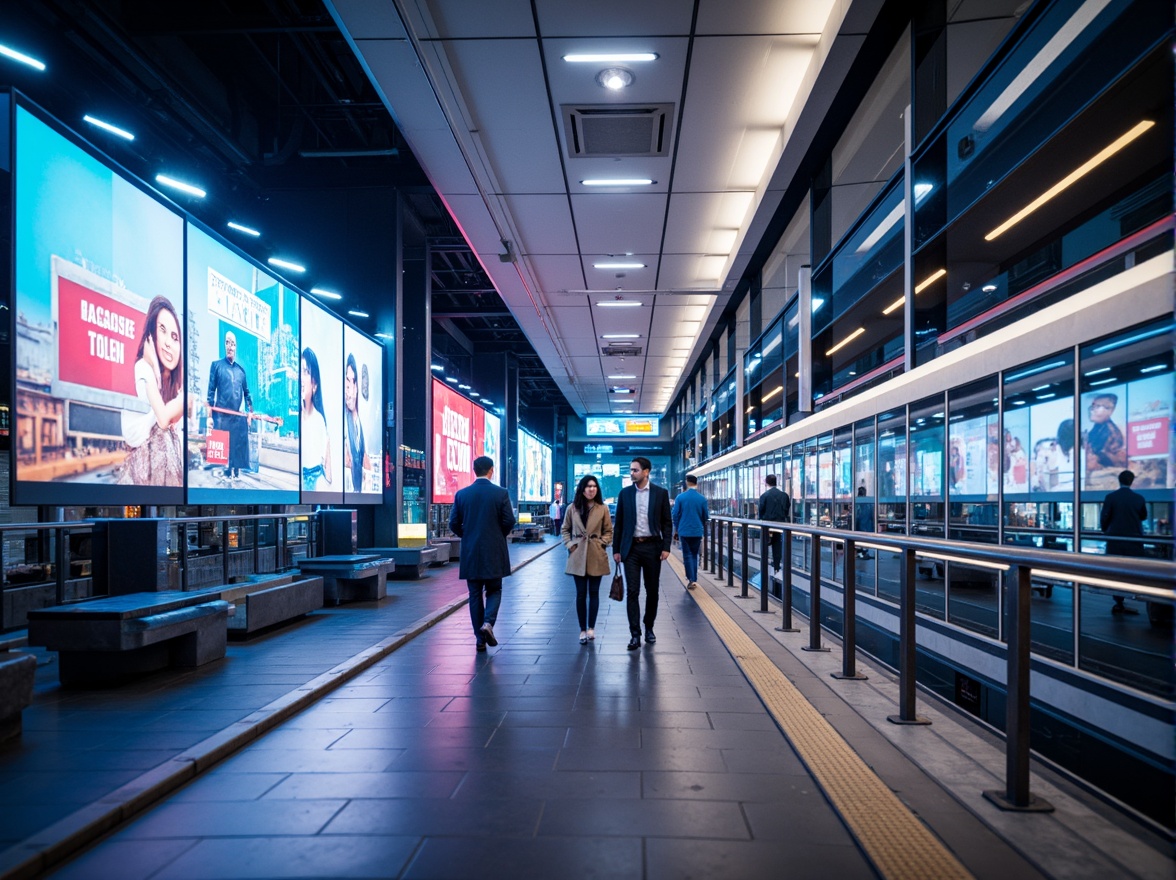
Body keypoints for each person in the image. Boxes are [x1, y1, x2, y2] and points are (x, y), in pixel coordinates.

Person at [449, 455, 516, 651]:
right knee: (494, 589)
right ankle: (488, 623)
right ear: (491, 470)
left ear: (473, 471)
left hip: (471, 552)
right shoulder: (501, 493)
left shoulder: (462, 495)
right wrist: (497, 535)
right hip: (494, 551)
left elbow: (453, 523)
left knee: (475, 594)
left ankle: (479, 639)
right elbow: (509, 521)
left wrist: (468, 536)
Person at [118, 296, 184, 486]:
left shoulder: (167, 382)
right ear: (151, 335)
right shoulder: (144, 367)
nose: (169, 343)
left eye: (175, 337)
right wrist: (155, 365)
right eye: (162, 330)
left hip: (155, 473)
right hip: (141, 468)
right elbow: (163, 419)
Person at [613, 457, 672, 650]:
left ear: (646, 472)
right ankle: (635, 634)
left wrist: (666, 547)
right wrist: (616, 550)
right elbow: (619, 524)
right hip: (631, 548)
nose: (632, 473)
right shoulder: (625, 494)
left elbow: (666, 522)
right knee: (632, 591)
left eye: (635, 470)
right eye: (631, 470)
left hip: (653, 547)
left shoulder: (660, 493)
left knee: (652, 590)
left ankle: (649, 627)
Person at [562, 474, 613, 644]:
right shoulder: (573, 508)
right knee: (581, 594)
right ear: (582, 489)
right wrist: (570, 545)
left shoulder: (602, 508)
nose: (592, 489)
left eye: (594, 486)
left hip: (596, 553)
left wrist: (602, 543)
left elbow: (608, 531)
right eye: (588, 486)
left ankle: (591, 628)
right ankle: (582, 630)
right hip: (577, 554)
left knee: (594, 592)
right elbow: (565, 529)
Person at [206, 330, 253, 482]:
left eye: (233, 344)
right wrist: (210, 416)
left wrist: (250, 412)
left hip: (236, 416)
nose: (230, 346)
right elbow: (210, 392)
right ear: (224, 345)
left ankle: (236, 470)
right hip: (221, 416)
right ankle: (225, 475)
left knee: (238, 445)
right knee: (222, 460)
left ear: (236, 347)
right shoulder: (216, 366)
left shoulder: (241, 371)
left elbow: (247, 394)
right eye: (227, 342)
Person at [1100, 469, 1147, 615]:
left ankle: (1119, 600)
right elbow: (1143, 516)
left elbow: (1105, 518)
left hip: (1115, 540)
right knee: (1132, 569)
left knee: (1116, 571)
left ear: (1119, 481)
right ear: (1131, 481)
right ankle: (1130, 595)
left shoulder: (1111, 497)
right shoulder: (1139, 498)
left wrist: (1106, 530)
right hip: (1134, 540)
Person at [300, 348, 333, 491]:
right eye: (299, 371)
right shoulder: (296, 418)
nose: (301, 378)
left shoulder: (319, 421)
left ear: (314, 384)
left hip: (316, 485)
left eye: (306, 372)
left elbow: (328, 474)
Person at [671, 474, 708, 590]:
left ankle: (691, 579)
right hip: (697, 531)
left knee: (687, 555)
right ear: (696, 483)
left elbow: (675, 515)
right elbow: (705, 516)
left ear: (687, 482)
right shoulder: (702, 499)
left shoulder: (680, 498)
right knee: (695, 554)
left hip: (684, 531)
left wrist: (677, 528)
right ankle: (694, 578)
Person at [1085, 393, 1128, 476]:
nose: (1092, 410)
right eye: (1092, 406)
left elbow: (1112, 460)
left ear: (1110, 410)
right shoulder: (1097, 428)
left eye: (1097, 407)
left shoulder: (1111, 432)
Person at [758, 474, 791, 572]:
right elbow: (786, 510)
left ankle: (764, 564)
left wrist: (761, 520)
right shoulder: (784, 495)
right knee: (777, 544)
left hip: (767, 525)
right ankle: (777, 564)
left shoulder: (764, 496)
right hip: (780, 525)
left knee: (765, 543)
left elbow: (761, 511)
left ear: (766, 483)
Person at [343, 353, 366, 492]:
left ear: (356, 386)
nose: (348, 389)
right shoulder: (343, 422)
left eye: (351, 381)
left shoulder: (360, 426)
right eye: (346, 381)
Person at [854, 484, 874, 558]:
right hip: (866, 524)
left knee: (860, 538)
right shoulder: (867, 502)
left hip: (861, 523)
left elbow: (857, 514)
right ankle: (862, 551)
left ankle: (861, 551)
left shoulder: (857, 502)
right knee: (864, 539)